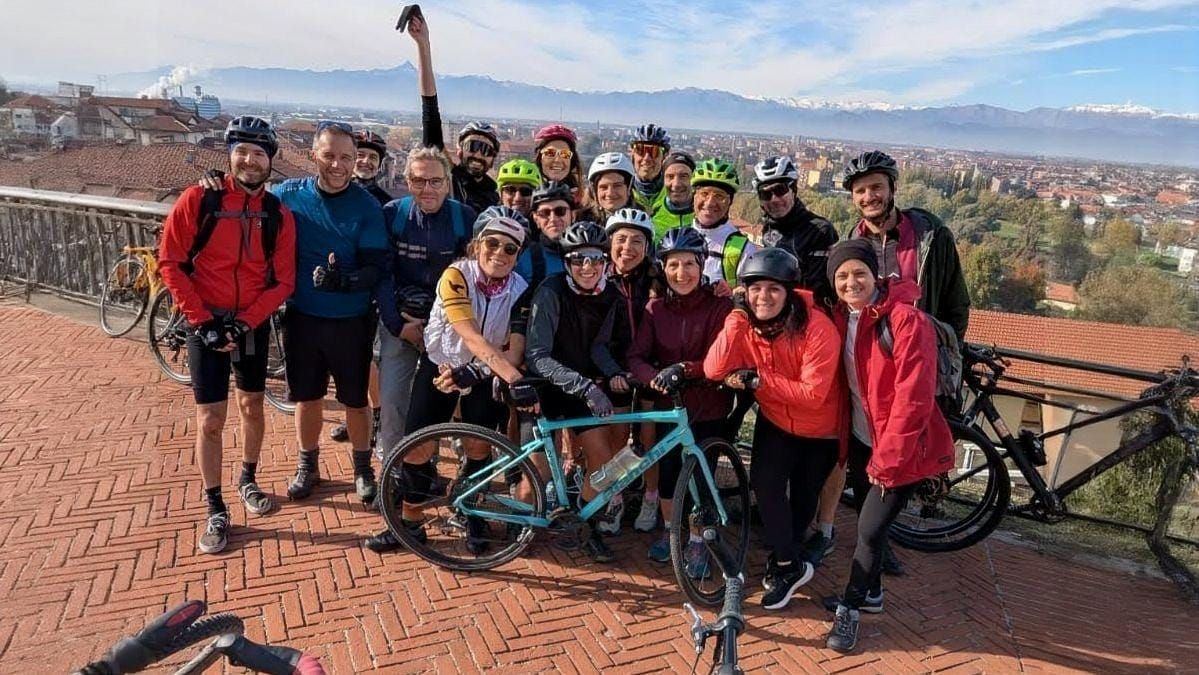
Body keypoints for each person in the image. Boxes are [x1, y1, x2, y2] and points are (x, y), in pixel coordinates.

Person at [816, 150, 970, 576]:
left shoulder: (929, 236)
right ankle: (877, 550)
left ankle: (874, 548)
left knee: (905, 450)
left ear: (892, 189)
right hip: (870, 369)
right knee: (867, 457)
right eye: (861, 191)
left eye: (876, 188)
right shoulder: (853, 240)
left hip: (917, 360)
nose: (869, 197)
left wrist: (946, 349)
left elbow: (956, 300)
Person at [158, 116, 297, 554]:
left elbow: (284, 281)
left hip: (250, 323)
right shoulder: (199, 199)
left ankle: (248, 478)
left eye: (259, 153)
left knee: (252, 406)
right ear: (229, 155)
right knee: (210, 420)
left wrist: (245, 322)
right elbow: (170, 263)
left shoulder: (277, 214)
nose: (249, 161)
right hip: (204, 320)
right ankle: (214, 505)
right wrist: (204, 322)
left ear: (270, 161)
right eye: (242, 152)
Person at [365, 207, 536, 553]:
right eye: (492, 243)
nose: (499, 253)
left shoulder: (520, 288)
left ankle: (473, 515)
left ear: (518, 255)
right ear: (476, 244)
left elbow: (515, 347)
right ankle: (410, 522)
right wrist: (514, 379)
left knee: (478, 447)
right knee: (418, 448)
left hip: (486, 373)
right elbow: (469, 333)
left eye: (510, 248)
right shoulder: (456, 275)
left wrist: (486, 371)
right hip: (441, 367)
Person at [823, 239, 955, 653]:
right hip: (864, 440)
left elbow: (914, 399)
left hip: (901, 450)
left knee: (867, 530)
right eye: (842, 276)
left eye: (859, 273)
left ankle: (850, 608)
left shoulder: (906, 321)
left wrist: (889, 461)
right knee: (872, 530)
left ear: (875, 275)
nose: (851, 283)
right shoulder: (841, 317)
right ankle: (873, 592)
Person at [703, 248, 843, 610]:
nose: (762, 297)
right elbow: (713, 369)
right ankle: (787, 565)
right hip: (777, 421)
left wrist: (759, 381)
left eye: (773, 289)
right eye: (755, 289)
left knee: (803, 500)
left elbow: (813, 395)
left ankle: (788, 556)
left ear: (789, 293)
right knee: (765, 485)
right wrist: (736, 317)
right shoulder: (747, 323)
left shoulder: (818, 328)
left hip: (821, 430)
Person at [273, 121, 389, 504]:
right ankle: (307, 465)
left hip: (351, 320)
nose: (337, 165)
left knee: (355, 400)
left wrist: (345, 280)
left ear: (355, 160)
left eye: (346, 157)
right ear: (314, 155)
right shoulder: (288, 194)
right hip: (302, 316)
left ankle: (362, 469)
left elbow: (376, 267)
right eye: (329, 156)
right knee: (306, 398)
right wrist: (214, 184)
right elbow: (247, 200)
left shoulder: (367, 206)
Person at [627, 226, 733, 573]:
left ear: (701, 265)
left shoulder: (720, 306)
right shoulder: (656, 309)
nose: (681, 272)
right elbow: (636, 356)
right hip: (669, 407)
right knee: (670, 474)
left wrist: (686, 369)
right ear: (663, 268)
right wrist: (653, 378)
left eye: (689, 264)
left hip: (708, 405)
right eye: (673, 265)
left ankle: (699, 541)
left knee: (701, 478)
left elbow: (723, 356)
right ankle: (672, 531)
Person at [525, 221, 631, 562]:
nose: (588, 267)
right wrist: (585, 387)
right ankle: (522, 524)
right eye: (578, 259)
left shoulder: (611, 296)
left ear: (606, 262)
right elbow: (537, 355)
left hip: (579, 389)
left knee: (603, 460)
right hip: (545, 385)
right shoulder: (551, 290)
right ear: (566, 262)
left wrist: (614, 372)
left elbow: (598, 346)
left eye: (596, 259)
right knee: (536, 475)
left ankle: (585, 522)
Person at [373, 145, 477, 477]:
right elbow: (382, 274)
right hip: (401, 321)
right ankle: (394, 476)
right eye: (419, 181)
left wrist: (442, 325)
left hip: (446, 326)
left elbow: (471, 277)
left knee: (446, 399)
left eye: (435, 181)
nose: (427, 189)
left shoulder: (464, 218)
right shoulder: (393, 214)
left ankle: (435, 470)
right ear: (407, 182)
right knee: (393, 402)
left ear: (447, 183)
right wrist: (396, 324)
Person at [327, 129, 393, 447]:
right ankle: (356, 414)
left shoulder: (385, 204)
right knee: (348, 360)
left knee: (369, 358)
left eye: (372, 157)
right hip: (337, 290)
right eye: (361, 155)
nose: (366, 161)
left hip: (371, 292)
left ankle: (377, 416)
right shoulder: (332, 194)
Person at [598, 207, 659, 535]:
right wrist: (610, 372)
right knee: (617, 438)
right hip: (614, 370)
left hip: (650, 367)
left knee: (650, 436)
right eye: (621, 239)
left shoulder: (658, 278)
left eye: (637, 241)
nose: (628, 248)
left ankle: (651, 496)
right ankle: (616, 497)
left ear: (647, 247)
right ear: (609, 243)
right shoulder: (598, 278)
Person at [406, 12, 499, 214]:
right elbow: (430, 112)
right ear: (459, 150)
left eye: (486, 150)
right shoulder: (446, 178)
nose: (478, 154)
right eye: (473, 146)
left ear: (493, 159)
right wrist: (423, 44)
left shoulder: (495, 197)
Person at [754, 155, 838, 307]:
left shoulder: (820, 230)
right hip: (775, 308)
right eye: (765, 194)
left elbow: (818, 289)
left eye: (780, 190)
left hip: (807, 312)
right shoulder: (768, 228)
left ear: (793, 190)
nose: (774, 199)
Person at [689, 158, 757, 293]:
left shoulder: (743, 249)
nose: (710, 203)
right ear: (694, 196)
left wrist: (733, 293)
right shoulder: (679, 236)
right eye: (704, 194)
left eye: (719, 196)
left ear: (730, 202)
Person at [515, 181, 572, 289]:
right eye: (545, 213)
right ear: (536, 219)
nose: (553, 219)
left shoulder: (587, 255)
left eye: (560, 211)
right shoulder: (526, 259)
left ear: (572, 215)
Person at [533, 124, 585, 205]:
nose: (557, 160)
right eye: (550, 153)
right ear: (539, 158)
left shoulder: (584, 201)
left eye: (565, 154)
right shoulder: (525, 195)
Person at [650, 151, 695, 241]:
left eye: (683, 176)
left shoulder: (705, 214)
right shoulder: (652, 213)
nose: (676, 184)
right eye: (670, 177)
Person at [583, 152, 635, 224]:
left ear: (628, 188)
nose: (610, 193)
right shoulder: (581, 221)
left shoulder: (645, 220)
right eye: (603, 187)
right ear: (595, 191)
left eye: (617, 186)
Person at [629, 124, 671, 212]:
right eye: (640, 150)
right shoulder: (622, 192)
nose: (647, 158)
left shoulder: (675, 192)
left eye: (654, 151)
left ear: (664, 157)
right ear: (632, 155)